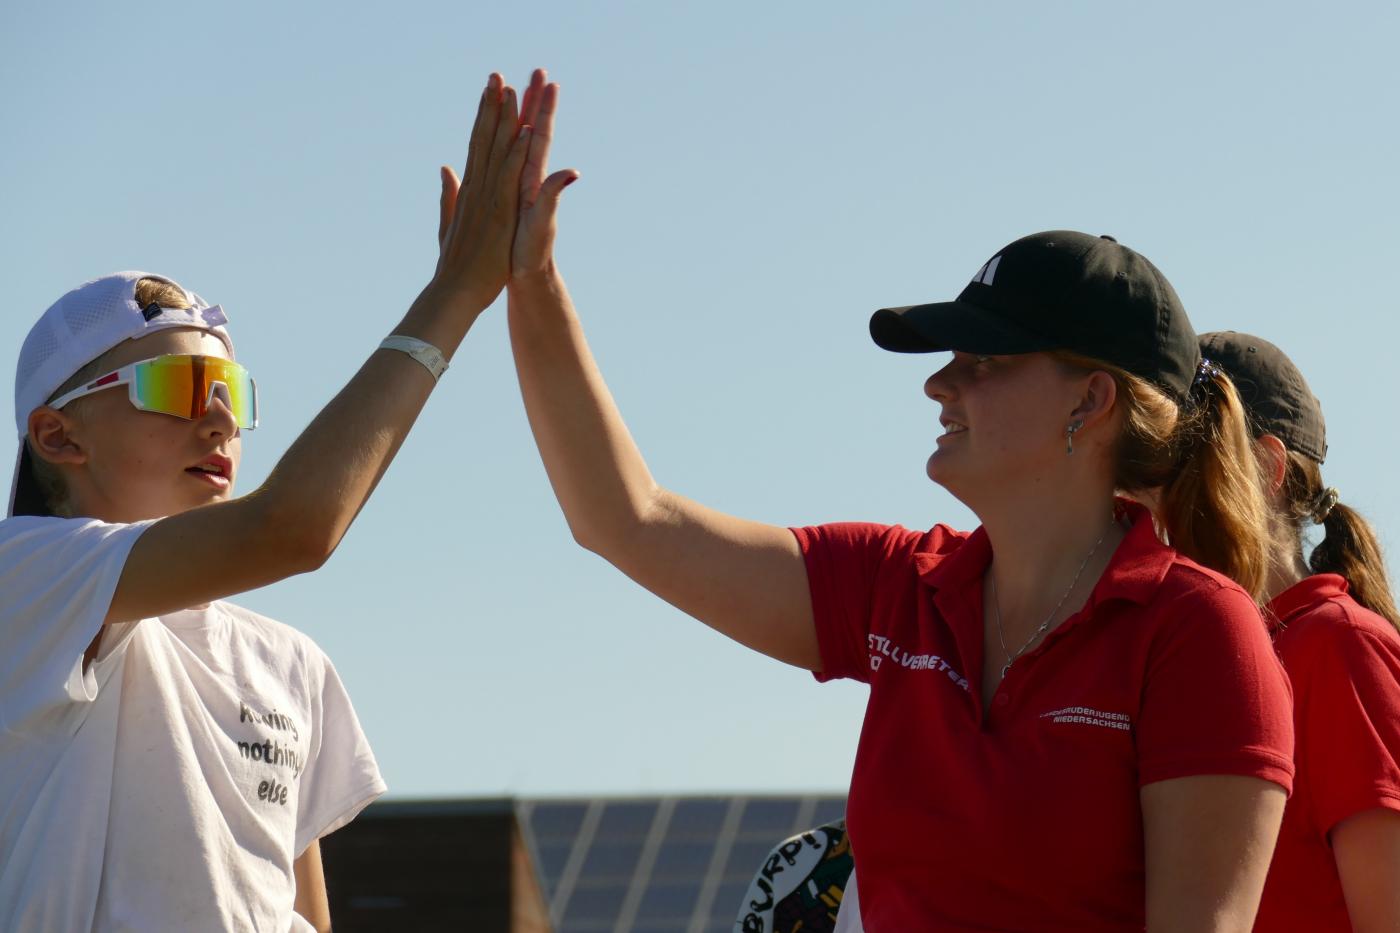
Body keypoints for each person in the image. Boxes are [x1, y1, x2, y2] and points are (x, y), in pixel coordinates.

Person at [506, 203, 1295, 927]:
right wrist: (531, 280)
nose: (936, 384)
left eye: (983, 360)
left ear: (1088, 402)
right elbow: (628, 520)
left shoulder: (1199, 631)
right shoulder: (899, 584)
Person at [0, 69, 555, 931]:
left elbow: (305, 915)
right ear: (58, 436)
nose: (222, 418)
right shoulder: (22, 578)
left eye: (235, 393)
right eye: (183, 387)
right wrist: (455, 293)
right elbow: (293, 526)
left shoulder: (291, 664)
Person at [1199, 332, 1400, 933]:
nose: (1136, 492)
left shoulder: (1337, 645)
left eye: (1173, 464)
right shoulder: (1195, 656)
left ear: (1264, 469)